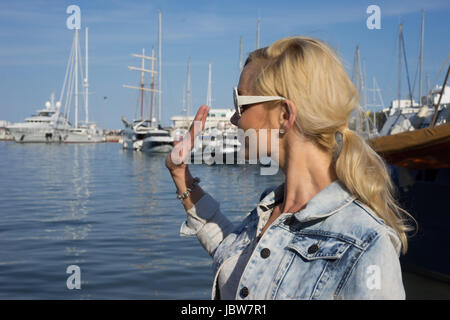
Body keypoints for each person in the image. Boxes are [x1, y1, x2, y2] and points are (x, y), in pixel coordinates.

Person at [165, 36, 415, 300]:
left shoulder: (366, 244)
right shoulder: (270, 207)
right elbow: (235, 257)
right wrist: (181, 175)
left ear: (284, 115)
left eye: (240, 104)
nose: (233, 119)